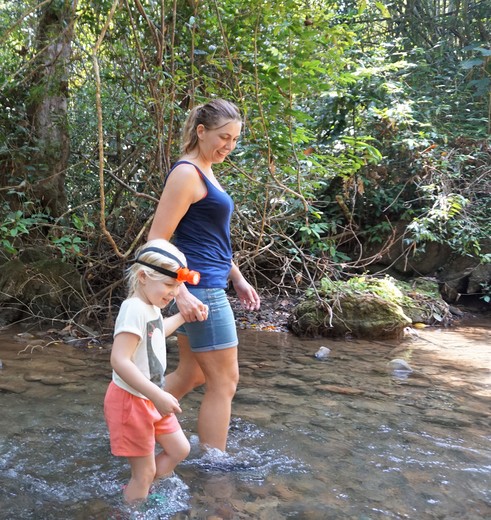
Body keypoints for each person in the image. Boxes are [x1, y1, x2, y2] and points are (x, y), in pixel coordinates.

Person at [147, 98, 261, 452]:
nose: (229, 145)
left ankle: (136, 415)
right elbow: (157, 240)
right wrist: (179, 290)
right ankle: (215, 464)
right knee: (225, 382)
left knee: (193, 374)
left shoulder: (206, 170)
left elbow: (211, 242)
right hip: (200, 290)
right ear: (201, 131)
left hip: (210, 284)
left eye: (235, 140)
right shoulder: (187, 173)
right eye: (223, 137)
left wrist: (238, 277)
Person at [104, 238, 208, 504]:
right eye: (170, 285)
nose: (174, 293)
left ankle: (144, 491)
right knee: (145, 471)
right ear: (143, 276)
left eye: (178, 287)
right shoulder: (133, 309)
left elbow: (157, 332)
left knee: (180, 449)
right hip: (131, 400)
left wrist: (184, 316)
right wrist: (158, 395)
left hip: (150, 397)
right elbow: (120, 360)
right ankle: (133, 505)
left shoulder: (149, 306)